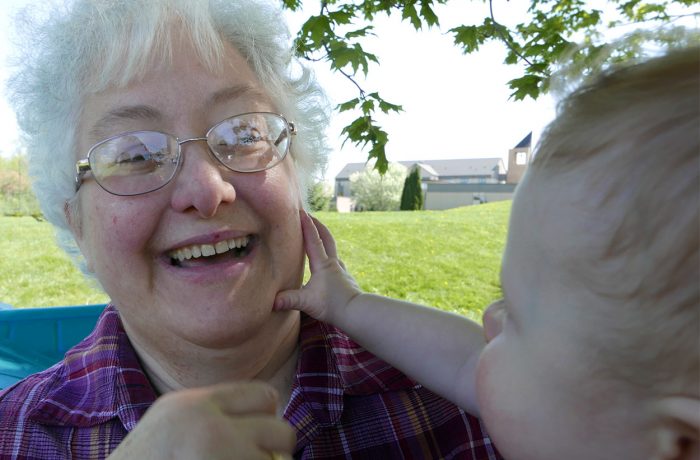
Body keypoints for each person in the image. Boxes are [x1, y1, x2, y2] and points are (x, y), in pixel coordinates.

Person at [0, 0, 502, 459]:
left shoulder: (477, 408)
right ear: (77, 223)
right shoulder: (14, 435)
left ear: (297, 176)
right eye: (134, 155)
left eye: (244, 133)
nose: (207, 188)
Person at [275, 47, 700, 460]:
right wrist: (348, 304)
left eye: (515, 315)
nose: (488, 319)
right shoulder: (585, 415)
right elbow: (464, 362)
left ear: (679, 444)